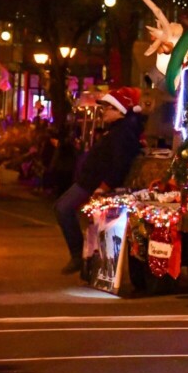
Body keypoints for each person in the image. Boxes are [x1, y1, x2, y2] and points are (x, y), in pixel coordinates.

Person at [55, 87, 144, 275]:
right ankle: (84, 258)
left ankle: (78, 256)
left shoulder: (123, 133)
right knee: (65, 210)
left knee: (63, 208)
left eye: (108, 108)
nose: (104, 112)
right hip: (88, 181)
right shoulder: (116, 130)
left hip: (93, 183)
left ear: (120, 111)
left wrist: (104, 186)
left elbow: (120, 164)